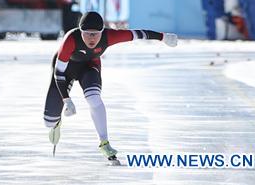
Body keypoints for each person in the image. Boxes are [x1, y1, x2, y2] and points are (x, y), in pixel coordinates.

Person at [43, 11, 178, 162]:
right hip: (65, 71)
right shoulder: (70, 40)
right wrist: (67, 100)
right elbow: (59, 74)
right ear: (81, 31)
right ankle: (56, 123)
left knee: (94, 98)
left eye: (96, 34)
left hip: (89, 67)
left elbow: (139, 34)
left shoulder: (110, 36)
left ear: (103, 32)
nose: (92, 38)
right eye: (87, 33)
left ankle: (104, 143)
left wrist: (163, 37)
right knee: (49, 121)